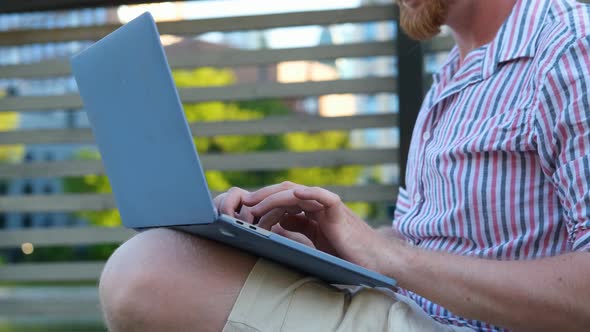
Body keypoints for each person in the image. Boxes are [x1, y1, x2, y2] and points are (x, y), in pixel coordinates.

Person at [99, 0, 590, 331]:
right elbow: (425, 241)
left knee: (148, 273)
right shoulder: (453, 76)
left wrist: (390, 259)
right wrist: (332, 245)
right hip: (414, 309)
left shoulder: (571, 46)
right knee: (170, 256)